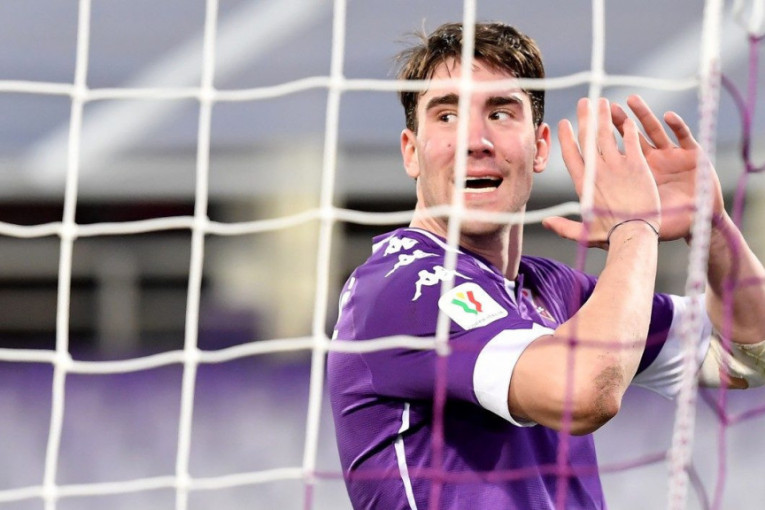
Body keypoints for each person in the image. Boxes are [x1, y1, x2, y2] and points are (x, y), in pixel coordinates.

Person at [327, 21, 765, 509]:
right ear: (412, 153)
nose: (475, 140)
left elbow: (745, 355)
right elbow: (584, 393)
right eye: (447, 115)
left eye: (500, 112)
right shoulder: (401, 289)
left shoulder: (551, 289)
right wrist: (636, 228)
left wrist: (713, 231)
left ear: (539, 148)